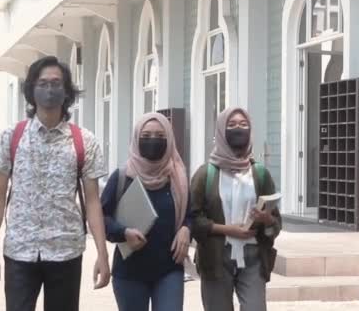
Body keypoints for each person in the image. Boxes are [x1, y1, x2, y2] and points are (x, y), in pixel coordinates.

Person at [0, 56, 111, 311]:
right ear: (31, 90)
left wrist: (102, 254)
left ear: (66, 91)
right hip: (20, 251)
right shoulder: (11, 137)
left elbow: (93, 201)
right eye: (42, 83)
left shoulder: (84, 141)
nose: (49, 89)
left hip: (66, 251)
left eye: (56, 83)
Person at [191, 107, 282, 311]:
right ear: (222, 131)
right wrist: (228, 230)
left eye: (243, 124)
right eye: (231, 125)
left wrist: (266, 220)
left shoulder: (260, 173)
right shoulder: (206, 174)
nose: (238, 129)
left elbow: (276, 220)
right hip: (216, 258)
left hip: (254, 256)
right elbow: (193, 219)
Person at [101, 112, 193, 311]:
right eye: (147, 135)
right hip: (130, 273)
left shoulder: (178, 178)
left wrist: (186, 228)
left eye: (160, 136)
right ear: (136, 138)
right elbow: (101, 218)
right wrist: (123, 232)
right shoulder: (122, 177)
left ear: (169, 140)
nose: (153, 140)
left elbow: (191, 214)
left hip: (169, 269)